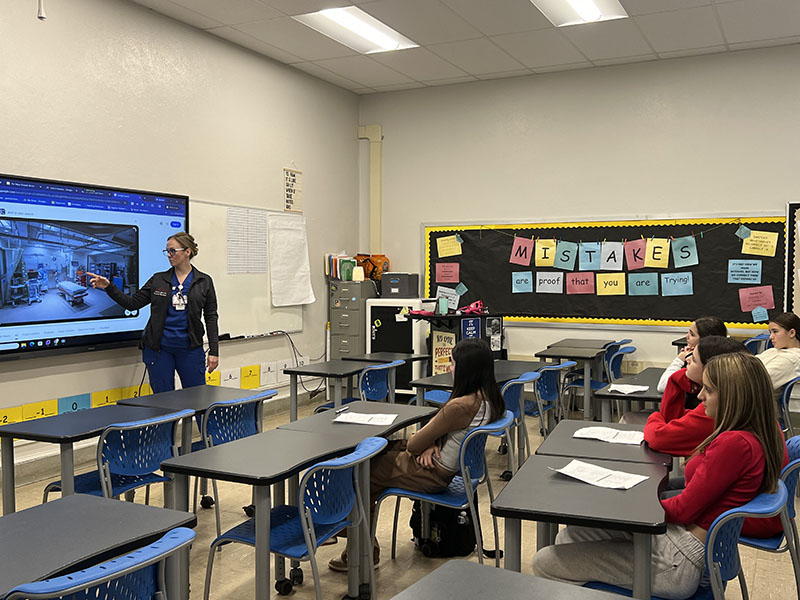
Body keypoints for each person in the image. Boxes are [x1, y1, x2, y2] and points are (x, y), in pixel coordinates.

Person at [532, 352, 785, 599]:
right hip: (683, 541)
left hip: (680, 559)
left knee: (545, 561)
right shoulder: (753, 431)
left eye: (708, 390)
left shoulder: (734, 443)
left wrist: (628, 507)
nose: (699, 395)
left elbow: (684, 510)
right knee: (572, 534)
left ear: (733, 397)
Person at [328, 338, 505, 571]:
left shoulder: (460, 406)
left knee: (358, 470)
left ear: (466, 370)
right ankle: (357, 539)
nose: (448, 368)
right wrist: (432, 442)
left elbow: (413, 444)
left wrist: (427, 441)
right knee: (380, 447)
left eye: (452, 364)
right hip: (443, 466)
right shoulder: (490, 398)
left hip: (430, 473)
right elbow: (440, 434)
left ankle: (358, 549)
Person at [87, 231, 219, 392]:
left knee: (198, 398)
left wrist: (214, 351)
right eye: (167, 251)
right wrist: (109, 287)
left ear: (187, 252)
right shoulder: (158, 279)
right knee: (164, 403)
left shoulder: (203, 281)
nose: (169, 255)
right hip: (160, 350)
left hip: (190, 350)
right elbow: (132, 303)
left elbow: (211, 317)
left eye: (172, 251)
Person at [644, 336, 747, 456]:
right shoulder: (732, 399)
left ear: (711, 367)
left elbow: (659, 439)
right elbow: (675, 418)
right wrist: (677, 380)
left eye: (693, 359)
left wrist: (655, 417)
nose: (687, 360)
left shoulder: (717, 407)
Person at [657, 316, 727, 393]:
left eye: (692, 334)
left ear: (705, 340)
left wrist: (679, 359)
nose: (687, 336)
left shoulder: (701, 365)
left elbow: (664, 386)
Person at [757, 312, 800, 399]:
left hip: (757, 406)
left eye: (775, 332)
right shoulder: (774, 351)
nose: (771, 337)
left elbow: (757, 380)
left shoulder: (791, 359)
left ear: (792, 333)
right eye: (770, 332)